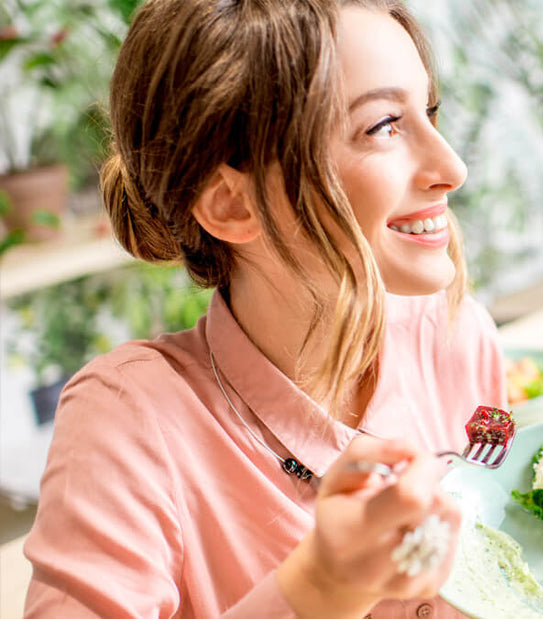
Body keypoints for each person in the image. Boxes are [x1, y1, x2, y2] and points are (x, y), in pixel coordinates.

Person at [22, 0, 507, 616]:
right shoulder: (129, 420)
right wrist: (321, 588)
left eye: (429, 111)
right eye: (384, 125)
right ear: (231, 205)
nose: (451, 168)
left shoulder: (458, 336)